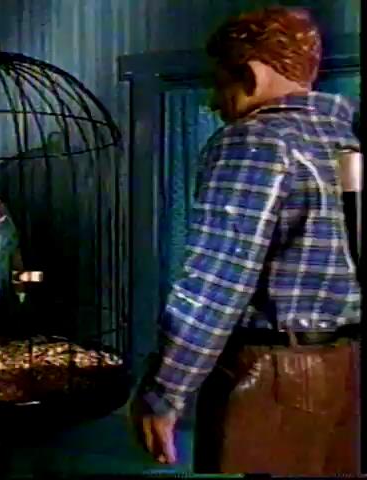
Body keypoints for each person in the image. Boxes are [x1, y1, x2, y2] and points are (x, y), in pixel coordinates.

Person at [131, 7, 360, 476]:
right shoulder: (346, 138)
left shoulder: (255, 140)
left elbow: (216, 282)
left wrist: (164, 390)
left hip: (273, 380)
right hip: (348, 371)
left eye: (220, 84)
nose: (214, 102)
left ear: (252, 74)